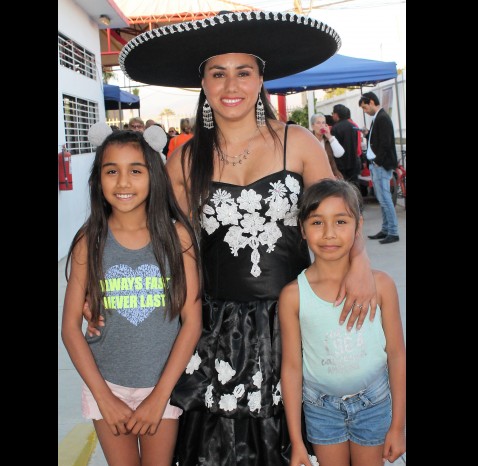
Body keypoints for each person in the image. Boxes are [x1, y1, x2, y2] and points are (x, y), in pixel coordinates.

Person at [113, 11, 379, 465]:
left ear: (260, 80)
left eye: (243, 73)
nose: (230, 86)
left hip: (296, 320)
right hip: (218, 334)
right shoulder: (183, 161)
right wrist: (101, 294)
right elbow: (150, 242)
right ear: (203, 83)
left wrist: (360, 268)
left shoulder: (298, 143)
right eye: (218, 74)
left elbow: (342, 213)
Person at [61, 123, 203, 466]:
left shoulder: (177, 238)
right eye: (112, 171)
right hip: (106, 387)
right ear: (98, 179)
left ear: (154, 176)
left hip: (163, 387)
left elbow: (192, 323)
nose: (123, 182)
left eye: (135, 171)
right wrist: (104, 397)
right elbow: (69, 330)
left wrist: (160, 396)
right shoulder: (89, 241)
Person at [279, 179, 406, 466]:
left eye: (340, 221)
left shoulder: (381, 286)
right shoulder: (293, 296)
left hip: (374, 405)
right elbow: (291, 367)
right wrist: (297, 441)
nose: (329, 234)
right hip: (321, 410)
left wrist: (398, 426)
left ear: (358, 226)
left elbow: (397, 355)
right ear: (302, 228)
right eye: (316, 223)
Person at [359, 92, 400, 244]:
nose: (364, 110)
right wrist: (368, 134)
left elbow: (386, 142)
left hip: (381, 165)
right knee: (383, 199)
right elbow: (380, 140)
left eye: (364, 107)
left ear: (371, 102)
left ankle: (393, 232)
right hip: (377, 164)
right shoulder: (378, 117)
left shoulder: (382, 118)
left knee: (385, 200)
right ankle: (386, 229)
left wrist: (377, 161)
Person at [330, 104, 360, 187]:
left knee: (343, 188)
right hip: (354, 161)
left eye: (333, 113)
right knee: (354, 187)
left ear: (336, 114)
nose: (332, 115)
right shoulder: (353, 126)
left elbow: (334, 147)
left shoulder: (335, 128)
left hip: (341, 164)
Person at [310, 112, 345, 180]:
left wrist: (329, 136)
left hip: (330, 176)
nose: (321, 125)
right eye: (318, 123)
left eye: (323, 123)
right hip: (313, 176)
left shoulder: (329, 139)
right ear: (312, 126)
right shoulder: (308, 139)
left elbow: (340, 153)